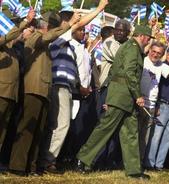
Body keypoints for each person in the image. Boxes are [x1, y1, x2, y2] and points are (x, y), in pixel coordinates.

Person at [39, 0, 108, 174]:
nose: (78, 26)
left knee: (59, 125)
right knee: (61, 125)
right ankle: (48, 161)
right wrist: (99, 8)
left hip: (68, 88)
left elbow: (74, 71)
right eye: (72, 22)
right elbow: (80, 23)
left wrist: (79, 85)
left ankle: (48, 159)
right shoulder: (60, 38)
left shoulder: (68, 46)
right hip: (59, 87)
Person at [8, 11, 80, 176]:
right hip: (33, 89)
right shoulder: (35, 38)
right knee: (27, 129)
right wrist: (68, 25)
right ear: (46, 27)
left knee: (38, 131)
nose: (54, 31)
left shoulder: (44, 41)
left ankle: (31, 166)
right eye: (53, 27)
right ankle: (18, 166)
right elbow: (48, 37)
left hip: (42, 90)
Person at [76, 25, 153, 179]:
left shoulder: (133, 48)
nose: (149, 41)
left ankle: (133, 170)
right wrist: (137, 95)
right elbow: (129, 72)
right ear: (143, 36)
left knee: (130, 132)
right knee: (105, 128)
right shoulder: (132, 48)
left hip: (125, 97)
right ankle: (83, 159)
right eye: (149, 38)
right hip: (121, 96)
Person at [0, 9, 35, 171]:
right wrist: (25, 22)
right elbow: (8, 37)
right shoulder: (3, 45)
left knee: (4, 131)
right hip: (1, 93)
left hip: (10, 95)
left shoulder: (14, 50)